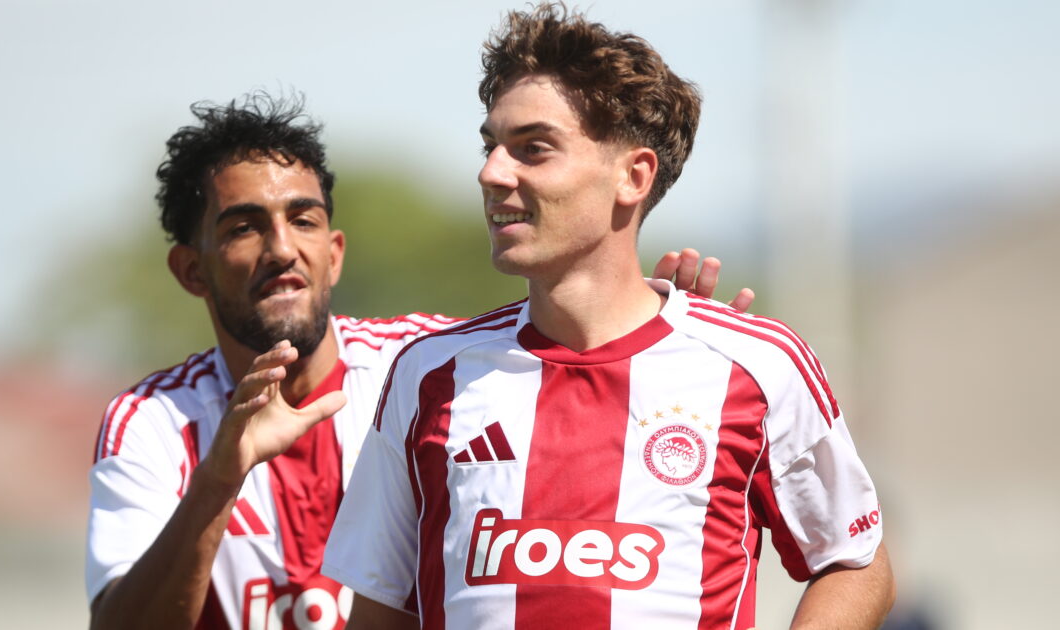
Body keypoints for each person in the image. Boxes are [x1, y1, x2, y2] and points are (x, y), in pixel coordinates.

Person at [322, 4, 895, 629]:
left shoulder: (758, 365)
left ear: (633, 176)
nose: (490, 172)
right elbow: (379, 609)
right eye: (490, 147)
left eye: (532, 149)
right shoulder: (429, 374)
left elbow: (855, 564)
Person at [84, 91, 749, 630]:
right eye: (244, 227)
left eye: (304, 220)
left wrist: (665, 343)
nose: (282, 249)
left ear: (335, 254)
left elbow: (575, 366)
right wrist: (218, 479)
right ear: (190, 270)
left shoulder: (429, 369)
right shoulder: (151, 421)